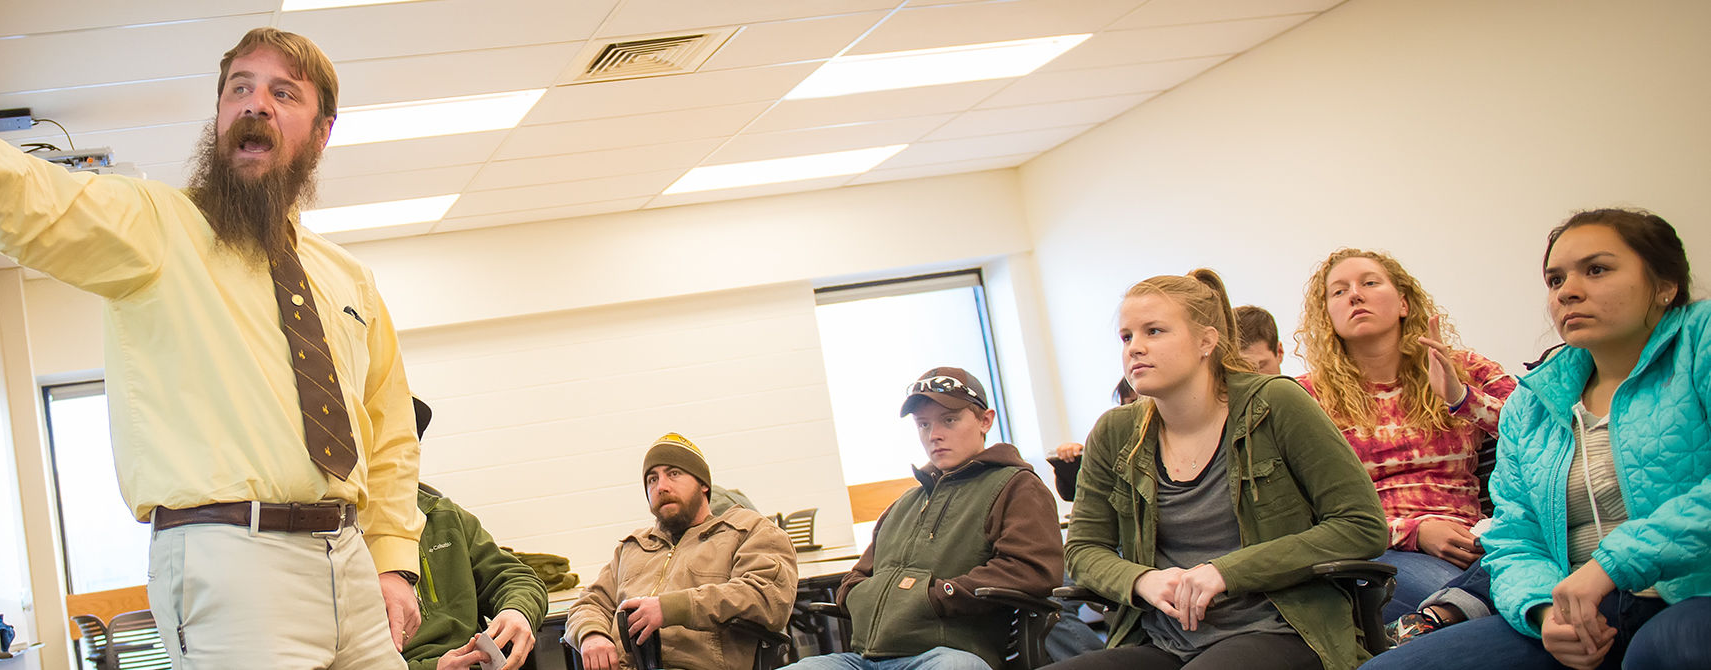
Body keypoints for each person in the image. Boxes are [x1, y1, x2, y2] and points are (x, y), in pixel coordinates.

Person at [0, 28, 424, 668]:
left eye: (283, 93)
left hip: (350, 559)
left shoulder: (348, 279)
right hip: (233, 561)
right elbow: (48, 204)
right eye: (239, 89)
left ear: (321, 132)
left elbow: (390, 432)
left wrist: (394, 561)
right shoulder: (159, 226)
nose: (255, 104)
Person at [1360, 209, 1710, 670]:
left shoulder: (1699, 341)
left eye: (1597, 269)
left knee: (1666, 649)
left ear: (1664, 285)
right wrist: (1544, 613)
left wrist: (1608, 566)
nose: (1568, 290)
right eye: (1555, 279)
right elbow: (1514, 536)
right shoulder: (1534, 401)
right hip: (1582, 609)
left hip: (1690, 592)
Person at [1053, 269, 1386, 670]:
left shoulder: (1275, 403)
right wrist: (1142, 580)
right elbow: (1084, 549)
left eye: (1154, 331)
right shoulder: (1114, 431)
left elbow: (1360, 525)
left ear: (1206, 341)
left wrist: (1225, 572)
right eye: (1126, 337)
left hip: (1283, 630)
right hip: (1162, 640)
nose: (1135, 348)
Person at [784, 368, 1064, 670]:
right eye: (924, 424)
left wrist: (935, 596)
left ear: (985, 421)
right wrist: (862, 597)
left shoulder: (1015, 486)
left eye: (949, 420)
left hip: (948, 654)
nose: (934, 435)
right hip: (864, 659)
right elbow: (856, 578)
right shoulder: (905, 503)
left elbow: (1032, 570)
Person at [1295, 249, 1516, 623]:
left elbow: (1541, 434)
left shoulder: (1461, 367)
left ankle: (1431, 624)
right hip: (1374, 549)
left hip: (1475, 544)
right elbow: (1302, 511)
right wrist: (1413, 532)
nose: (1354, 295)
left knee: (1525, 587)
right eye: (1339, 291)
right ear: (1327, 315)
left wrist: (1461, 398)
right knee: (1475, 604)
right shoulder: (1306, 397)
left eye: (1369, 282)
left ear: (1403, 302)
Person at [565, 433, 798, 670]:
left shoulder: (747, 531)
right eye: (652, 480)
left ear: (704, 484)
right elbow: (589, 603)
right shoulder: (634, 547)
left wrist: (673, 608)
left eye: (674, 474)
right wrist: (591, 634)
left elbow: (767, 597)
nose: (661, 487)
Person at [403, 400, 547, 670]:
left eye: (409, 439)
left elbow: (518, 578)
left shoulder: (446, 516)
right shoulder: (339, 537)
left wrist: (517, 611)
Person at [1234, 306, 1286, 375]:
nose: (1252, 379)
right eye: (1240, 371)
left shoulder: (1301, 385)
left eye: (1259, 367)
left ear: (1279, 352)